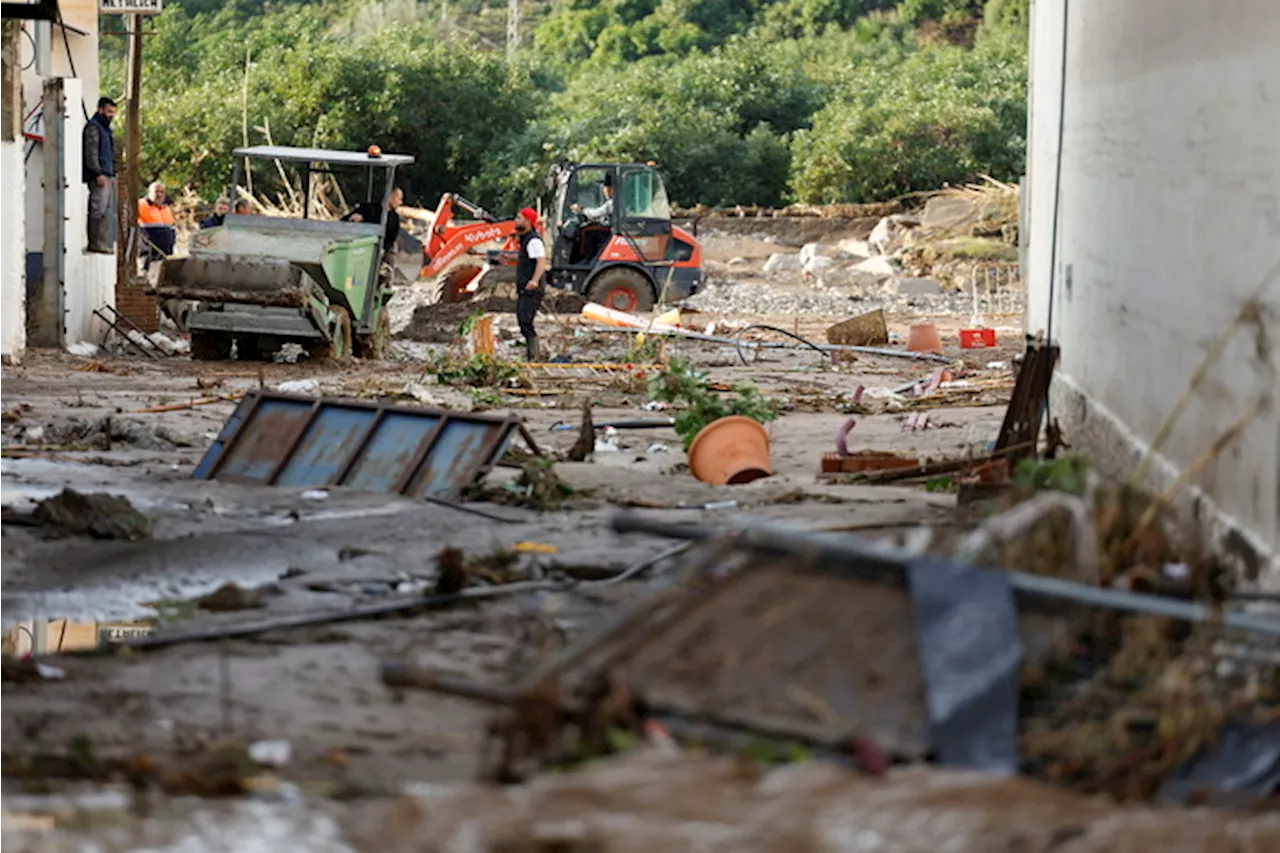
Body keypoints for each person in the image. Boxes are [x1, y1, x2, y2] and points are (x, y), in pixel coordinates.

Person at [83, 97, 117, 254]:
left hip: (107, 173)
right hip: (100, 174)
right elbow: (91, 152)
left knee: (104, 209)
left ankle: (101, 242)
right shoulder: (94, 127)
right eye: (109, 111)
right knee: (97, 208)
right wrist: (97, 172)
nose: (111, 115)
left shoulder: (105, 129)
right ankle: (95, 242)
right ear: (100, 109)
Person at [514, 206, 548, 361]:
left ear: (528, 221)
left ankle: (534, 357)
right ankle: (532, 355)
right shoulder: (526, 240)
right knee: (523, 321)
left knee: (526, 321)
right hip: (525, 288)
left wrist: (534, 281)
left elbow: (541, 262)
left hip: (532, 289)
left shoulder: (533, 240)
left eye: (519, 218)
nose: (516, 221)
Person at [137, 181, 177, 269]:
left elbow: (172, 228)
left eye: (162, 192)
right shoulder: (141, 205)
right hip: (149, 254)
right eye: (156, 191)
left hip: (165, 254)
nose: (159, 195)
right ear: (149, 192)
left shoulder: (166, 209)